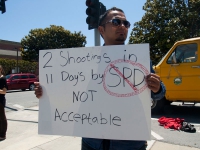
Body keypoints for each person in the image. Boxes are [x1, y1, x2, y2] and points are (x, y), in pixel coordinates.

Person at [35, 7, 166, 150]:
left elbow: (159, 93)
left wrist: (157, 87)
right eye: (116, 22)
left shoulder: (139, 59)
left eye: (126, 23)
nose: (122, 26)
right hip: (92, 143)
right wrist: (45, 92)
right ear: (101, 30)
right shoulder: (84, 62)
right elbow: (67, 93)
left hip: (130, 143)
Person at [0, 65, 8, 140]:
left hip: (0, 101)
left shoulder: (3, 79)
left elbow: (4, 91)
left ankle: (3, 134)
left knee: (2, 118)